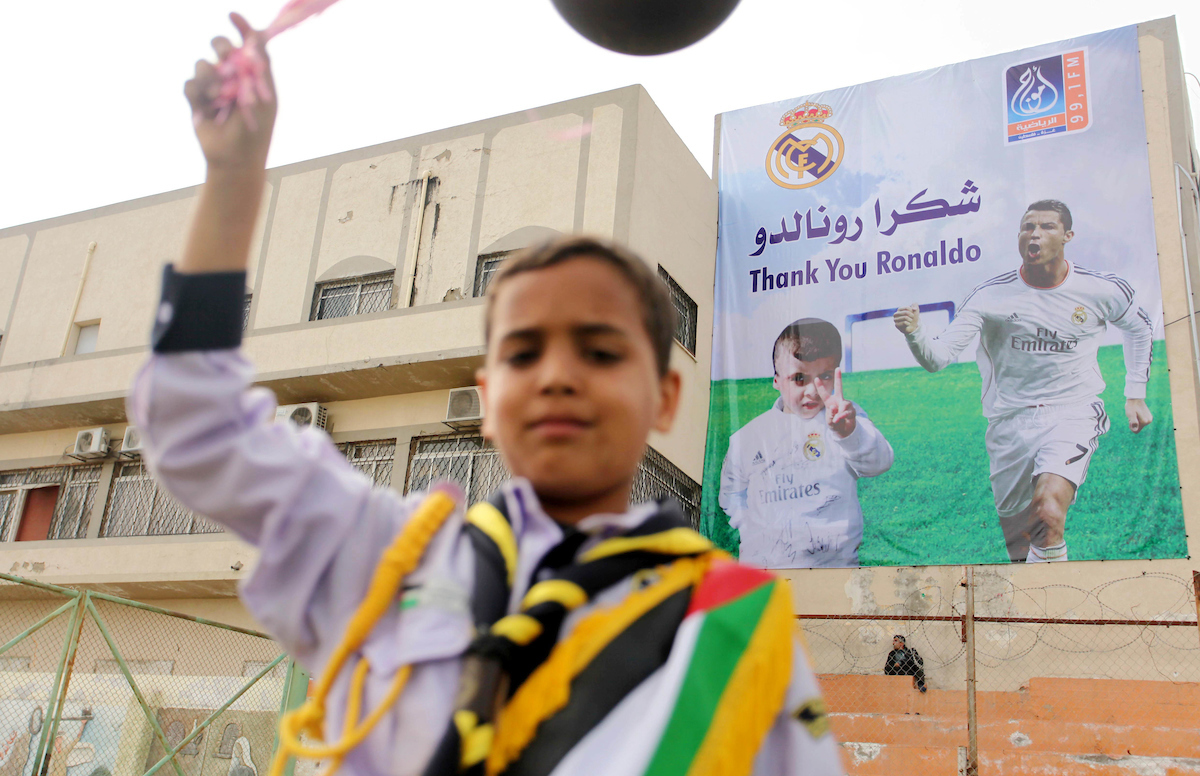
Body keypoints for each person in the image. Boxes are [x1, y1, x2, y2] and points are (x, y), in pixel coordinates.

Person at [128, 16, 844, 776]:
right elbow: (198, 429)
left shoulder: (735, 624)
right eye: (523, 353)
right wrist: (234, 180)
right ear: (489, 394)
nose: (557, 376)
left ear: (667, 397)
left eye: (600, 351)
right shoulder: (391, 558)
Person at [893, 200, 1154, 563]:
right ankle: (1033, 592)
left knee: (1047, 513)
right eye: (1028, 226)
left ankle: (1053, 599)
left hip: (1072, 411)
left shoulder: (1100, 289)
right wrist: (915, 333)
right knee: (1019, 546)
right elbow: (937, 359)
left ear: (1068, 235)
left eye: (1047, 226)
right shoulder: (989, 296)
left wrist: (1135, 393)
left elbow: (1140, 328)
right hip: (1008, 422)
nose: (1034, 234)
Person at [718, 318, 894, 568]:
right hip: (765, 573)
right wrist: (750, 526)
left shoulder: (845, 418)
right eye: (799, 378)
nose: (813, 390)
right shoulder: (748, 437)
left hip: (834, 570)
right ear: (777, 380)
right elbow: (731, 493)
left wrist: (848, 433)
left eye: (824, 376)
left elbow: (880, 463)